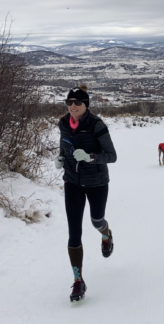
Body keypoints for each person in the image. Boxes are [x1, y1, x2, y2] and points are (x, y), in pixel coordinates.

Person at [55, 84, 117, 302]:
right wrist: (60, 158)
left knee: (96, 220)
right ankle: (78, 280)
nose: (72, 106)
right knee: (74, 232)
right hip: (72, 181)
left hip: (97, 182)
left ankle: (106, 234)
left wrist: (90, 157)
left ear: (85, 104)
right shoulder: (63, 123)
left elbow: (112, 156)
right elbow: (64, 146)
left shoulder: (96, 124)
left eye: (77, 103)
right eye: (69, 102)